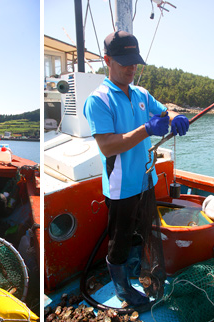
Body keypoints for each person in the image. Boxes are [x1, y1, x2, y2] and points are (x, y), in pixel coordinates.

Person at [83, 31, 190, 307]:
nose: (131, 67)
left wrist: (174, 116)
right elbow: (107, 146)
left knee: (141, 231)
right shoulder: (99, 100)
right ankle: (122, 289)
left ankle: (134, 273)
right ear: (107, 60)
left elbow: (162, 112)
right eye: (124, 61)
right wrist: (146, 129)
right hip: (120, 186)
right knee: (119, 240)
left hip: (146, 179)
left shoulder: (141, 93)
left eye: (134, 61)